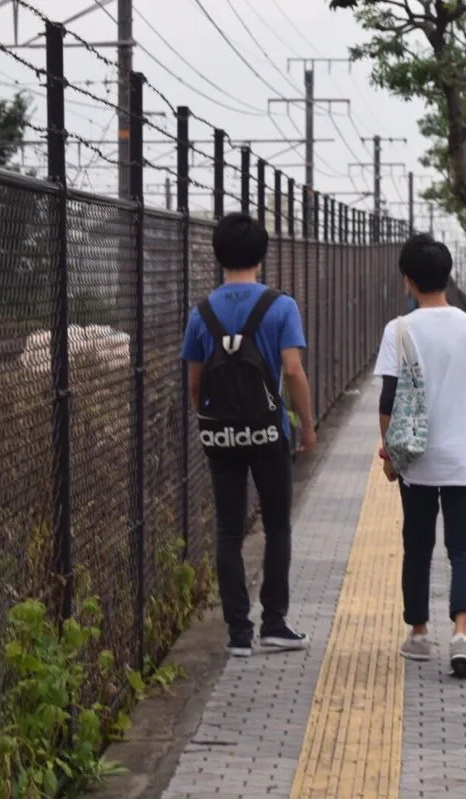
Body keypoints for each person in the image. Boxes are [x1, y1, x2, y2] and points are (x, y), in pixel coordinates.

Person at [181, 212, 316, 657]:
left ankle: (238, 633)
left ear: (219, 255)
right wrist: (307, 425)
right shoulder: (280, 306)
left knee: (228, 531)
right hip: (267, 432)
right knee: (277, 526)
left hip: (221, 435)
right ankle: (274, 624)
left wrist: (208, 418)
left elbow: (195, 381)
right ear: (262, 255)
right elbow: (292, 371)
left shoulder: (201, 312)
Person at [374, 233, 466, 679]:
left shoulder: (399, 330)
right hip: (463, 458)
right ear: (447, 275)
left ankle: (419, 633)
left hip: (417, 460)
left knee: (418, 545)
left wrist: (390, 455)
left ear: (408, 280)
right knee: (463, 546)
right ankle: (462, 633)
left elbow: (388, 400)